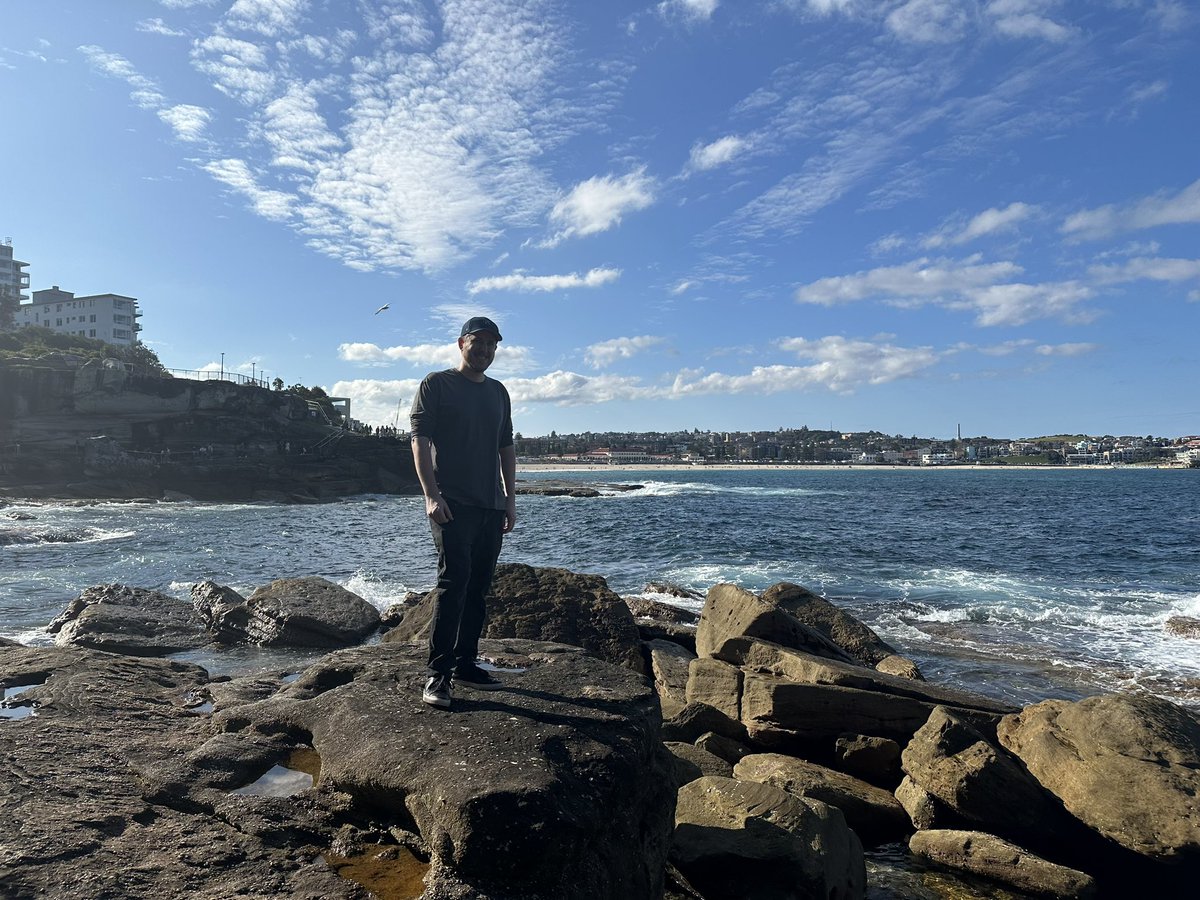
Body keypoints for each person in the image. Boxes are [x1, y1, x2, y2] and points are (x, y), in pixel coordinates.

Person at [410, 316, 517, 709]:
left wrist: (510, 499)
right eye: (478, 342)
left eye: (492, 345)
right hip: (452, 504)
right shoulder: (436, 384)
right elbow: (419, 439)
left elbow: (506, 447)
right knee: (453, 585)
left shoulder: (498, 392)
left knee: (478, 589)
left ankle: (467, 665)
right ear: (461, 343)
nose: (485, 350)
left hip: (490, 505)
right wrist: (431, 495)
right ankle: (438, 675)